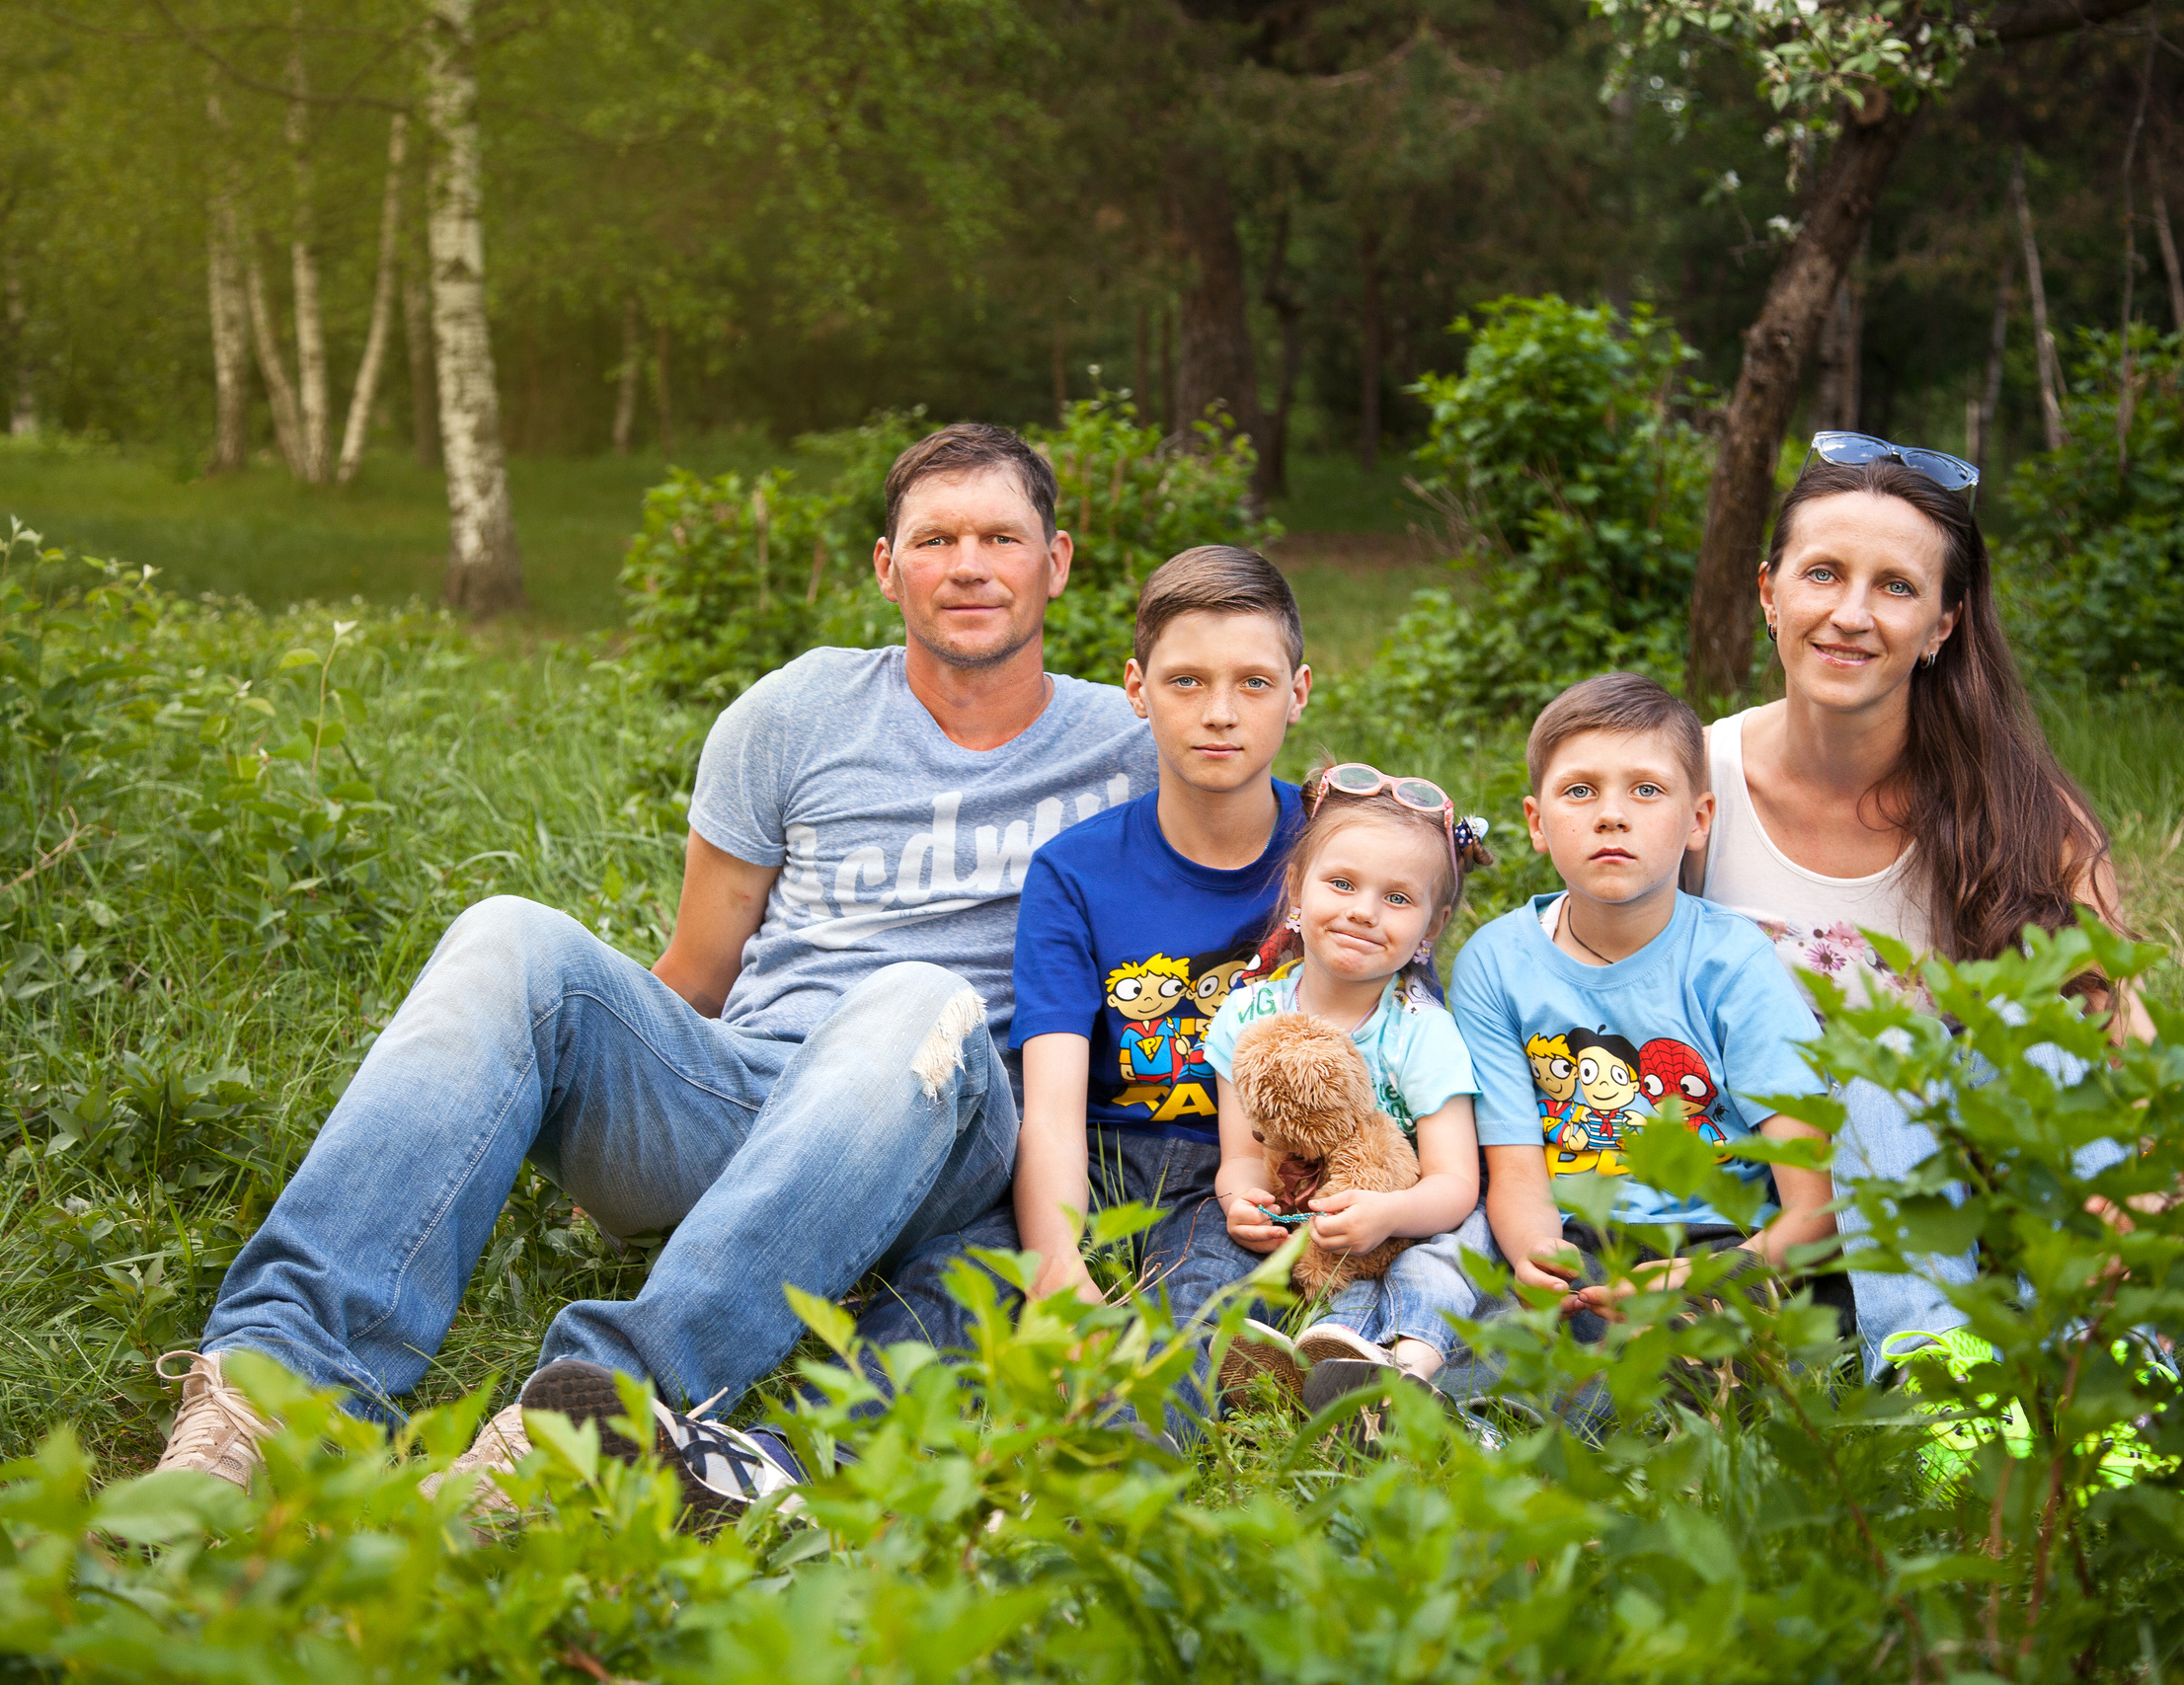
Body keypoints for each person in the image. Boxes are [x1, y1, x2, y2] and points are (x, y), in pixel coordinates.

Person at [151, 422, 1156, 1523]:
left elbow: (1301, 873)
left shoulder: (1134, 745)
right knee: (509, 935)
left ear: (1055, 564)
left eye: (1001, 537)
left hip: (946, 1137)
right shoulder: (791, 715)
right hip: (750, 1092)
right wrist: (589, 1103)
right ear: (887, 568)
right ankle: (272, 1390)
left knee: (915, 995)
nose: (968, 565)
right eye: (936, 539)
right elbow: (696, 971)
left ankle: (588, 1419)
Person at [1684, 433, 2143, 1375]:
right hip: (1779, 1211)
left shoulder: (2029, 816)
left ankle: (2101, 1362)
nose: (1851, 614)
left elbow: (2119, 1045)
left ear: (1943, 624)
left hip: (1994, 1212)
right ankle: (1931, 1368)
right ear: (1769, 592)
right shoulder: (1687, 787)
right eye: (1823, 573)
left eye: (1896, 586)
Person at [849, 544, 1310, 1442]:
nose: (1219, 713)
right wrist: (1058, 1258)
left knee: (1190, 1330)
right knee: (952, 1284)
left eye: (1254, 682)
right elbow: (1051, 1104)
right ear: (1136, 689)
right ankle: (790, 1456)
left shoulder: (1337, 858)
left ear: (1298, 692)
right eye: (1185, 682)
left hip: (1242, 1181)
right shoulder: (1077, 870)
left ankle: (1110, 1490)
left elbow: (1397, 1062)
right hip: (1096, 1160)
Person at [1451, 672, 1834, 1356]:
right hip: (1576, 1232)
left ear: (1699, 820)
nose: (1611, 814)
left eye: (1647, 789)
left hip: (1718, 1241)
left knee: (1699, 1350)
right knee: (1503, 1333)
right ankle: (1438, 1409)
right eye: (1579, 790)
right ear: (1537, 823)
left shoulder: (1733, 962)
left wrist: (1709, 1274)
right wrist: (1543, 1259)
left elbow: (1815, 1203)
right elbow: (1514, 1174)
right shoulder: (1496, 962)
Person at [1208, 760, 1492, 1414]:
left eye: (1397, 898)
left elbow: (1455, 1185)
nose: (1364, 912)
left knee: (1449, 1256)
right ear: (1297, 890)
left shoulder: (1423, 1033)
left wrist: (1388, 1215)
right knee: (1273, 1281)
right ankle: (1342, 1375)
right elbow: (1242, 1157)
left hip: (1412, 1223)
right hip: (1314, 1238)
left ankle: (1385, 1368)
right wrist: (1242, 1201)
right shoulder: (1248, 1018)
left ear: (1433, 925)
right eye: (1342, 883)